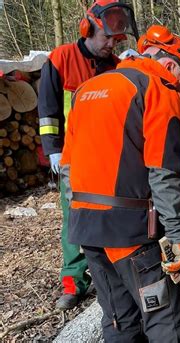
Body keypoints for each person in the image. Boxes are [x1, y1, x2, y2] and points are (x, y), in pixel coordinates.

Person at [59, 25, 180, 341]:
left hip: (85, 226)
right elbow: (165, 171)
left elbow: (67, 168)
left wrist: (81, 216)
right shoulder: (157, 89)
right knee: (166, 321)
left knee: (120, 319)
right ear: (171, 64)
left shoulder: (86, 90)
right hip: (128, 232)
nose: (178, 87)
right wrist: (176, 235)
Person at [37, 0, 138, 310]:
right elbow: (48, 111)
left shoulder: (116, 65)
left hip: (108, 158)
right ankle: (74, 281)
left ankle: (114, 272)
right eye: (106, 38)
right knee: (75, 220)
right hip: (71, 158)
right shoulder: (61, 59)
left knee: (112, 215)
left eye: (116, 40)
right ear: (88, 29)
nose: (111, 45)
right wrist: (53, 149)